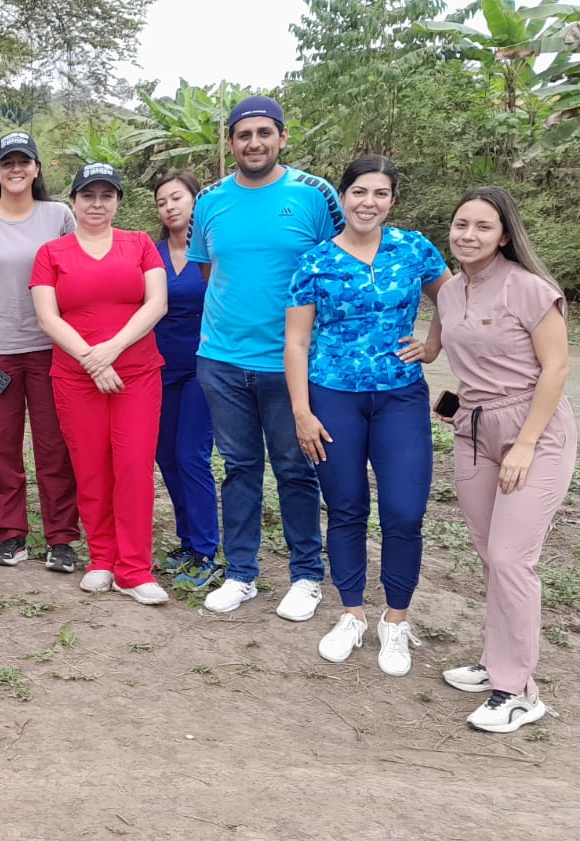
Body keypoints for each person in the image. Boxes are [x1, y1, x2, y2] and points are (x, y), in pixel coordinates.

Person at [285, 155, 450, 676]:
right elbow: (296, 341)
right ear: (343, 196)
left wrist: (433, 345)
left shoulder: (413, 248)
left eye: (380, 193)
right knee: (347, 506)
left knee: (404, 511)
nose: (368, 202)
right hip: (333, 397)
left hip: (400, 397)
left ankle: (395, 621)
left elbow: (456, 298)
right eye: (359, 191)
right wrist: (301, 412)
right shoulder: (315, 261)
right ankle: (351, 613)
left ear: (392, 200)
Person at [190, 96, 343, 620]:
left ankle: (306, 576)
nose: (253, 143)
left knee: (296, 468)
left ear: (282, 137)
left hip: (291, 363)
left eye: (263, 133)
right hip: (222, 360)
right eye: (243, 135)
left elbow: (336, 265)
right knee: (239, 469)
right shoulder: (210, 200)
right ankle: (241, 574)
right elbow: (211, 271)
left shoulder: (314, 194)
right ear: (230, 142)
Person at [434, 187, 575, 733]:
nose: (468, 235)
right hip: (473, 430)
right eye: (461, 224)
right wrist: (435, 380)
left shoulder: (530, 289)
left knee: (512, 558)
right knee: (491, 556)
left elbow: (556, 368)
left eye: (483, 227)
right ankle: (497, 659)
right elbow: (448, 350)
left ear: (504, 236)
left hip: (533, 431)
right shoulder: (450, 292)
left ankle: (517, 690)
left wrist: (526, 443)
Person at [32, 163, 170, 605]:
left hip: (137, 374)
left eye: (106, 196)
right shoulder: (51, 253)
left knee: (133, 467)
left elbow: (157, 303)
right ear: (73, 202)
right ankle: (102, 559)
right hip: (75, 378)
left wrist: (111, 350)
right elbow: (48, 317)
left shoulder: (140, 244)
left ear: (118, 202)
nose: (97, 204)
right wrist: (92, 362)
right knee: (90, 467)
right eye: (88, 195)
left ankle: (134, 569)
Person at [0, 132, 80, 572]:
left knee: (55, 447)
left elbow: (77, 274)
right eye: (8, 162)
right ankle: (11, 534)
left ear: (37, 168)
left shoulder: (59, 216)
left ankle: (61, 538)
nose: (16, 169)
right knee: (1, 448)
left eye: (24, 161)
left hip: (51, 349)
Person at [150, 172, 222, 591]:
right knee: (166, 456)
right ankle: (187, 542)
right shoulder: (152, 252)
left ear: (196, 201)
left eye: (177, 198)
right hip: (159, 368)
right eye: (162, 202)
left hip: (203, 366)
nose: (170, 207)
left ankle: (207, 550)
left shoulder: (216, 250)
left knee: (191, 455)